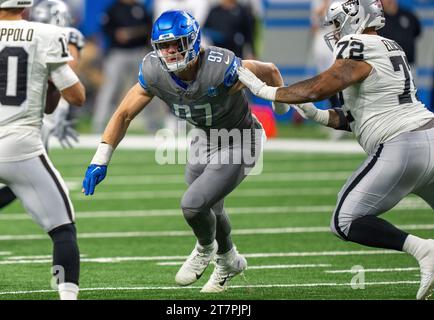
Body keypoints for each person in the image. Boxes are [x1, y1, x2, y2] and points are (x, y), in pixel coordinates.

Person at [237, 0, 434, 300]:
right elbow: (361, 117)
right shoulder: (388, 44)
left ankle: (423, 250)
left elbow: (323, 86)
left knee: (344, 221)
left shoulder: (357, 44)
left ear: (354, 19)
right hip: (428, 135)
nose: (335, 32)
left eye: (338, 24)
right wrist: (317, 114)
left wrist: (267, 91)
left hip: (403, 145)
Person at [81, 10, 288, 293]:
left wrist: (280, 107)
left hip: (240, 138)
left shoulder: (219, 66)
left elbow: (271, 70)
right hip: (203, 137)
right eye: (163, 46)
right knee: (210, 205)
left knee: (193, 204)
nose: (169, 52)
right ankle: (229, 260)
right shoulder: (154, 70)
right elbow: (124, 114)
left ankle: (205, 249)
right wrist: (100, 159)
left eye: (175, 44)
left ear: (192, 40)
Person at [0, 0, 85, 300]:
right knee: (62, 230)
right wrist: (51, 79)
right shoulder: (45, 34)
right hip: (22, 150)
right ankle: (66, 295)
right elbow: (76, 97)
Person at [91, 0, 152, 133]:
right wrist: (116, 34)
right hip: (118, 53)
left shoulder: (140, 8)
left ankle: (152, 126)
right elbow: (105, 28)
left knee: (148, 88)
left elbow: (149, 27)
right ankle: (99, 124)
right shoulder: (113, 9)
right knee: (109, 88)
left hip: (139, 52)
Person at [378, 0, 421, 68]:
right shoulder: (378, 19)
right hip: (387, 65)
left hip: (409, 64)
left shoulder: (409, 15)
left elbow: (417, 32)